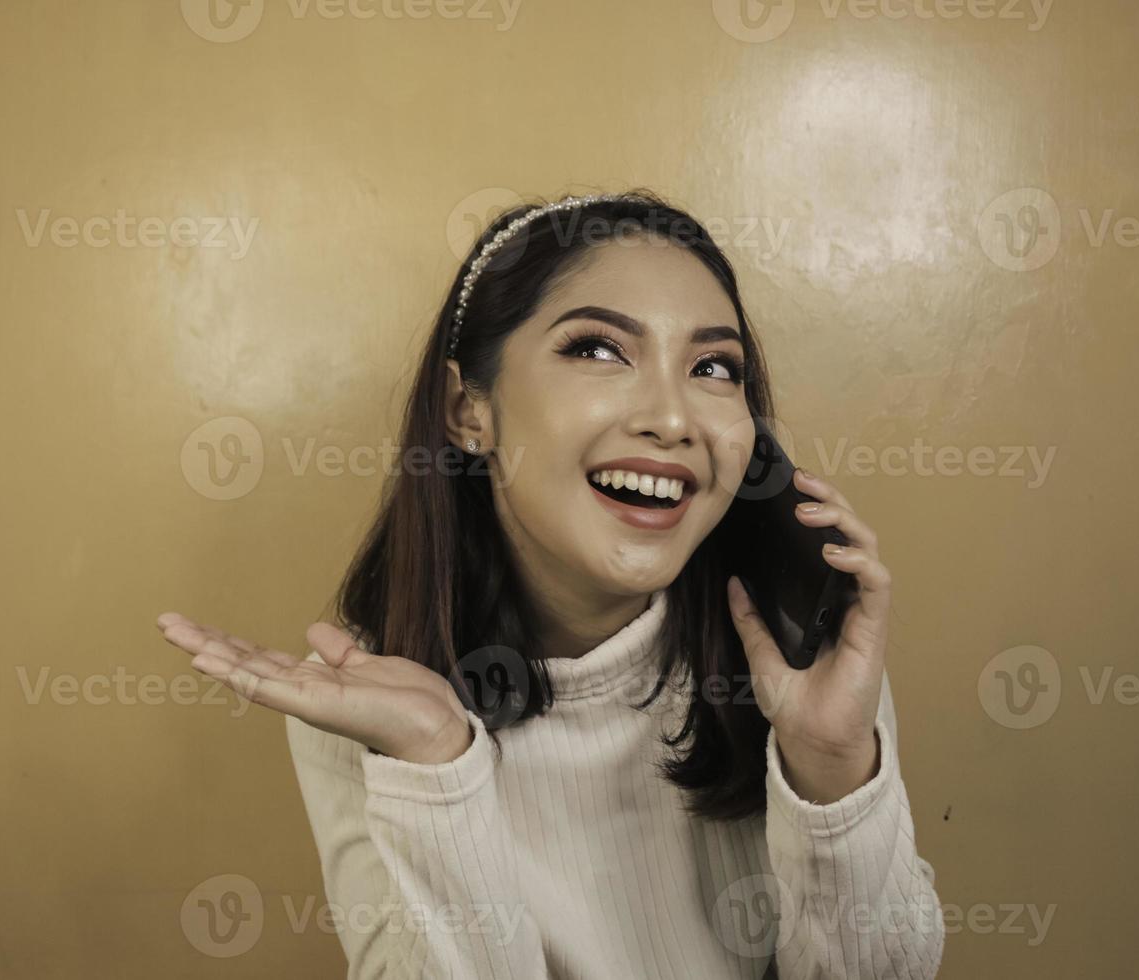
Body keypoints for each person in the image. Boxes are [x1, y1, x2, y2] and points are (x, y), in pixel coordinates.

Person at [158, 190, 944, 978]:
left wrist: (833, 764)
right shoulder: (363, 698)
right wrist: (436, 771)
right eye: (599, 350)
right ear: (469, 411)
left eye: (712, 366)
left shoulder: (799, 651)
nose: (673, 420)